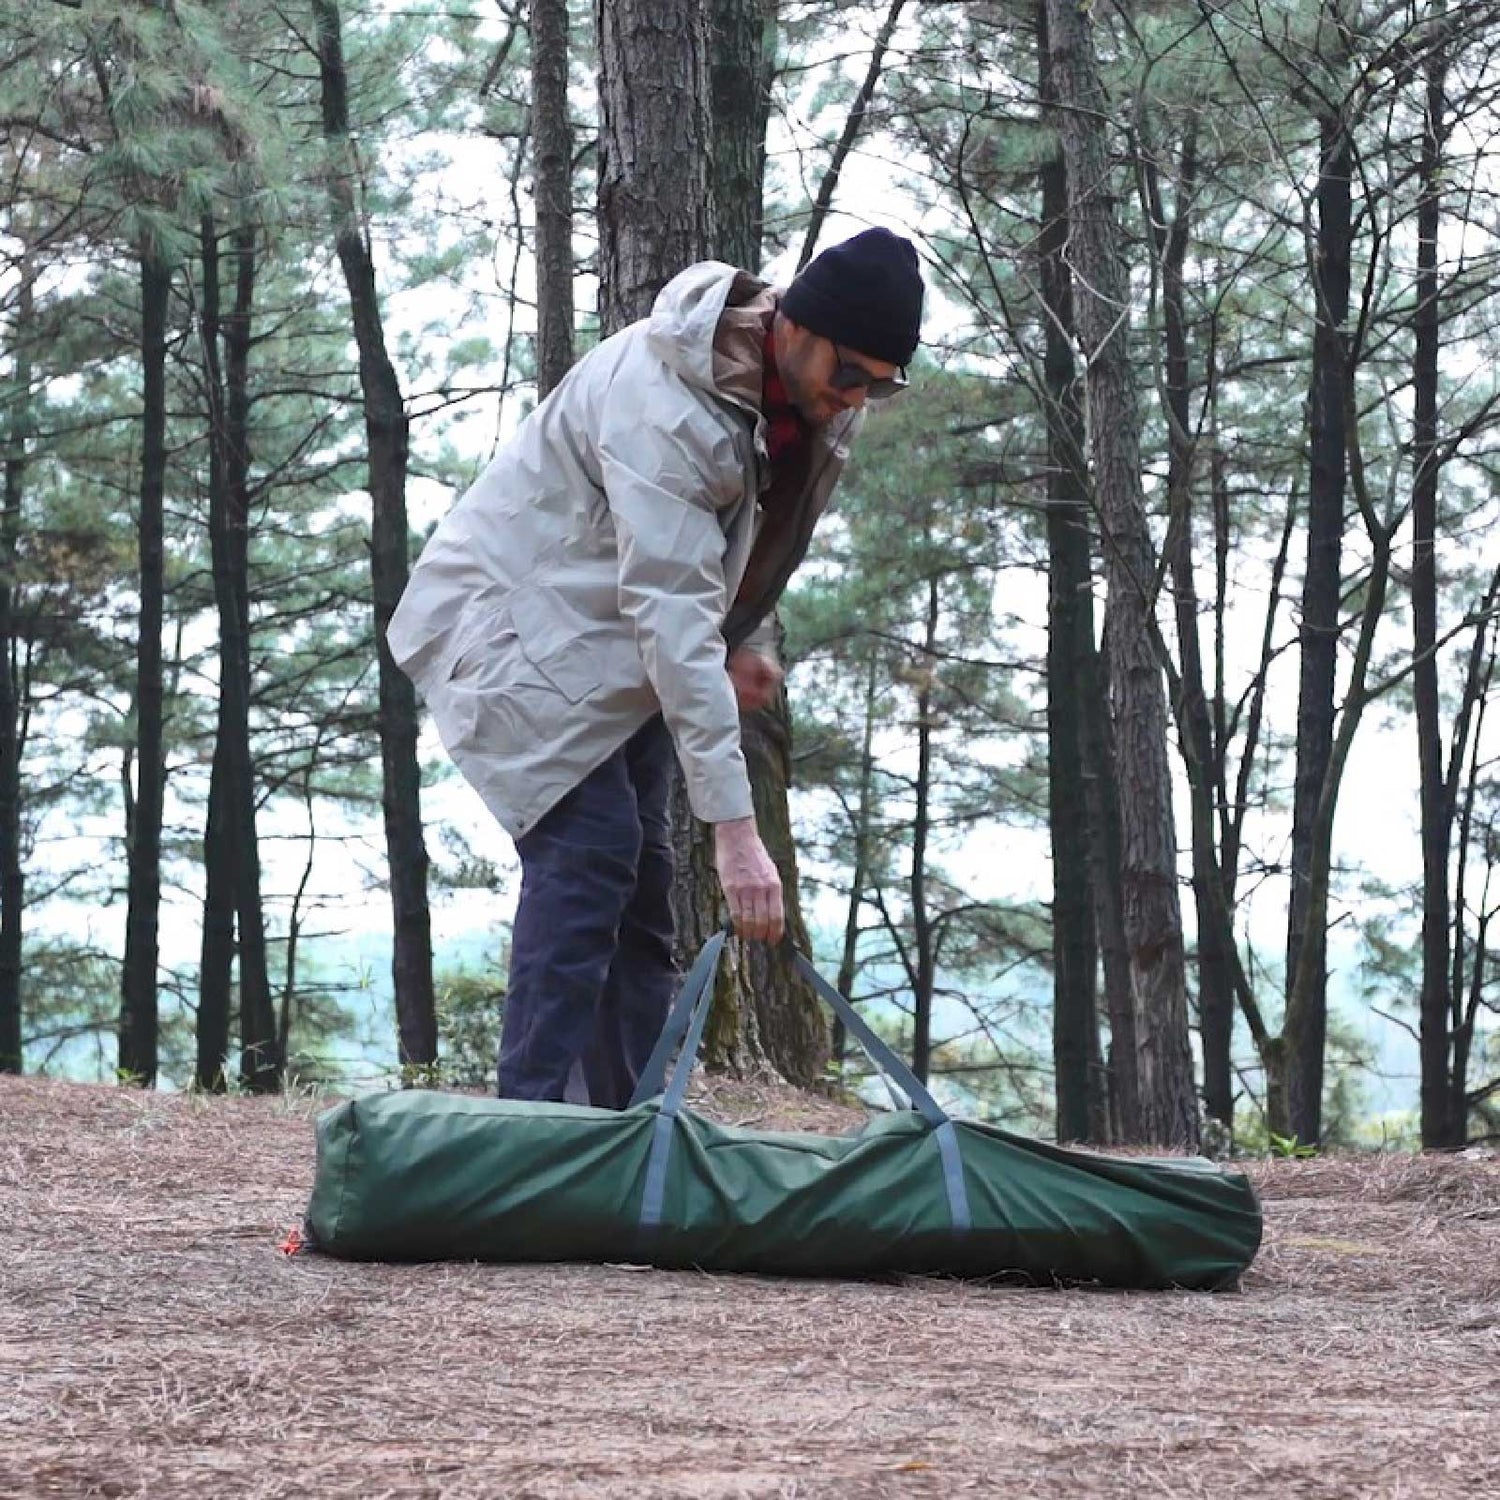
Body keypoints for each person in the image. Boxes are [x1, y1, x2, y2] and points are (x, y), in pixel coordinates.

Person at [387, 227, 924, 1107]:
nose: (858, 398)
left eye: (881, 384)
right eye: (851, 373)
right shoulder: (670, 404)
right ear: (795, 324)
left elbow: (739, 553)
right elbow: (671, 613)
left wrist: (746, 641)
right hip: (508, 632)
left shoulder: (789, 405)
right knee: (591, 858)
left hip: (601, 643)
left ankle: (630, 1136)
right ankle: (525, 1133)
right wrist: (737, 830)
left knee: (641, 896)